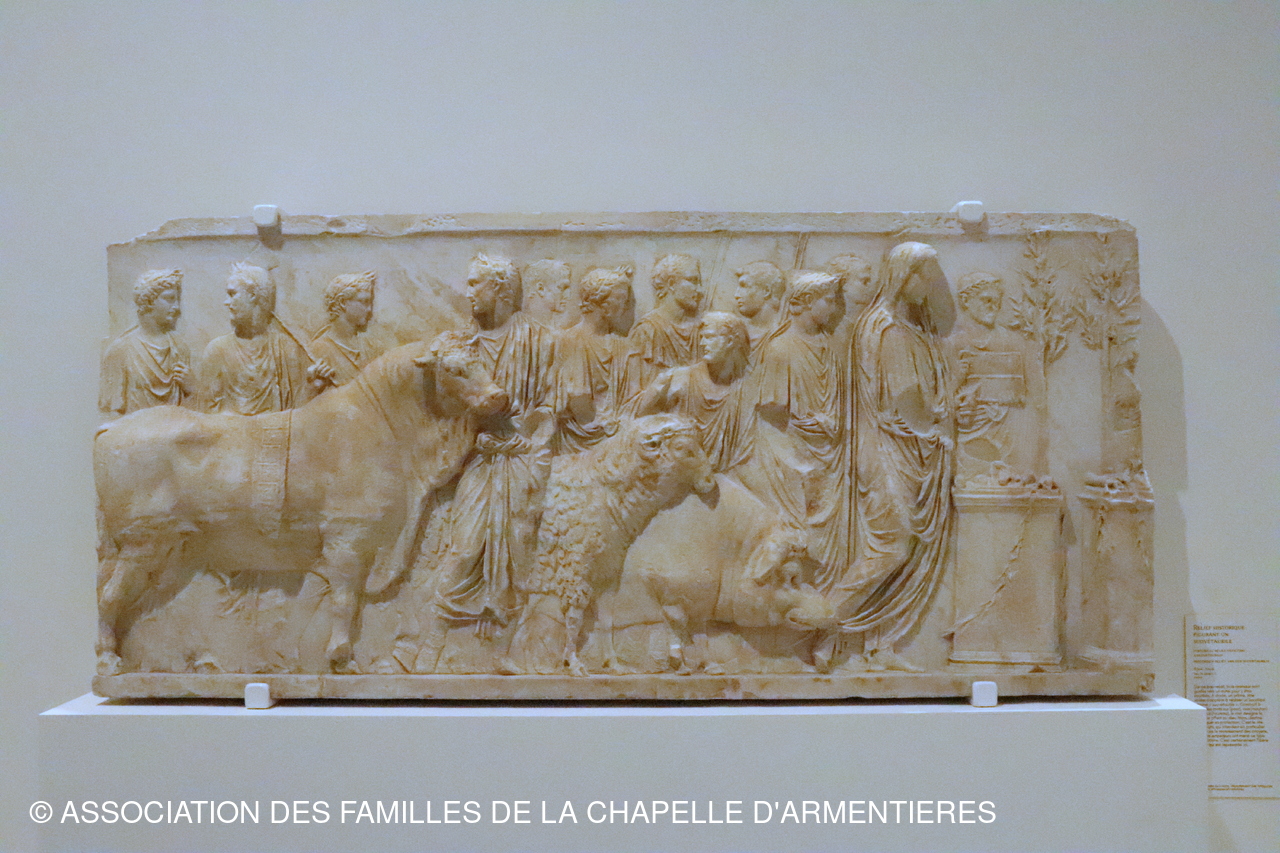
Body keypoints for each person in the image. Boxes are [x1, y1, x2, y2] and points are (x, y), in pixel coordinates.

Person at [421, 253, 556, 666]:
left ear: (498, 288)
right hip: (478, 459)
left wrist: (531, 444)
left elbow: (551, 406)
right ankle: (425, 645)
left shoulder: (539, 341)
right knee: (463, 548)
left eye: (474, 283)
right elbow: (440, 409)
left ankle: (506, 650)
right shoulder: (460, 344)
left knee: (521, 554)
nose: (467, 293)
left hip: (524, 462)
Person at [830, 241, 955, 672]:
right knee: (893, 548)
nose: (930, 285)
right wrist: (939, 425)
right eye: (925, 276)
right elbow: (907, 402)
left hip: (897, 448)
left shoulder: (897, 324)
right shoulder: (890, 330)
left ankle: (876, 644)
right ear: (904, 277)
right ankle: (825, 622)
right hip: (888, 451)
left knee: (897, 550)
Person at [736, 270, 847, 580]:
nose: (835, 308)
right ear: (804, 302)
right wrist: (809, 429)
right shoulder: (780, 349)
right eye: (829, 301)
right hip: (791, 457)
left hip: (829, 454)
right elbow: (772, 414)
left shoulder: (829, 346)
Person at [200, 263, 330, 414]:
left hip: (276, 429)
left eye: (232, 294)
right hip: (233, 429)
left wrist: (312, 388)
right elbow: (207, 415)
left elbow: (295, 416)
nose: (226, 302)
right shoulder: (218, 350)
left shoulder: (286, 348)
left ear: (253, 296)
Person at [634, 311, 753, 474]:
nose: (702, 344)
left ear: (730, 341)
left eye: (709, 337)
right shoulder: (679, 380)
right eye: (702, 337)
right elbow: (640, 419)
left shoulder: (746, 389)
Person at [552, 265, 633, 453]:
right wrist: (606, 427)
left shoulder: (621, 345)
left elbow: (631, 395)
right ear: (603, 304)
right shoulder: (568, 340)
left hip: (616, 435)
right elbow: (578, 400)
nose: (625, 306)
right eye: (620, 299)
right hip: (577, 442)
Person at [99, 268, 193, 416]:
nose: (176, 307)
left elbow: (191, 412)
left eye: (177, 300)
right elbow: (113, 415)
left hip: (176, 429)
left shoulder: (179, 347)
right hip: (136, 430)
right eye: (169, 299)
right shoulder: (120, 350)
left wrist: (192, 389)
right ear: (148, 301)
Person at [622, 253, 704, 402]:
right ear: (671, 284)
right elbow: (632, 399)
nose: (700, 291)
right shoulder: (646, 332)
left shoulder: (700, 331)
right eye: (693, 281)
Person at [309, 271, 379, 387]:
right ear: (342, 302)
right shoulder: (318, 350)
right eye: (364, 302)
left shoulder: (369, 346)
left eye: (370, 303)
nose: (369, 310)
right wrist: (317, 386)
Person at [732, 260, 785, 356]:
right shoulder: (737, 336)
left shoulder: (785, 338)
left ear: (766, 291)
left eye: (744, 286)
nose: (736, 295)